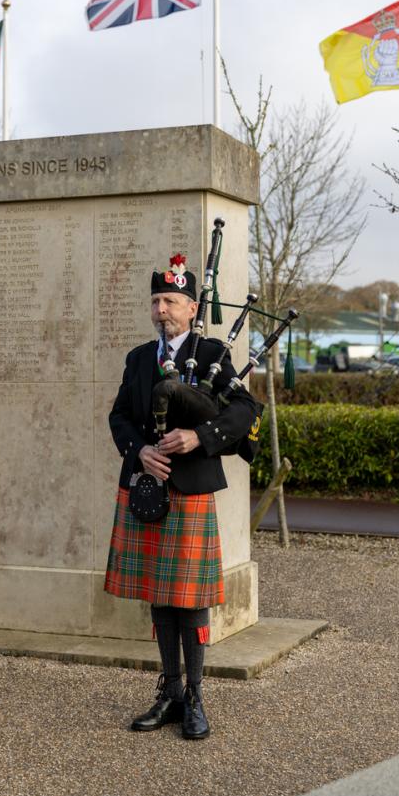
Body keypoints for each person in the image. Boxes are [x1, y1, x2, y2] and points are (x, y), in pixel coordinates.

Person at [104, 254, 257, 740]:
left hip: (188, 490)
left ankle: (195, 697)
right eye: (155, 301)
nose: (161, 309)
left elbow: (245, 411)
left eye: (170, 301)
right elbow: (119, 418)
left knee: (189, 601)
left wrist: (199, 437)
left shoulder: (212, 354)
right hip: (148, 488)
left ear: (192, 308)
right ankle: (168, 692)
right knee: (159, 595)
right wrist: (141, 450)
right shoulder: (137, 359)